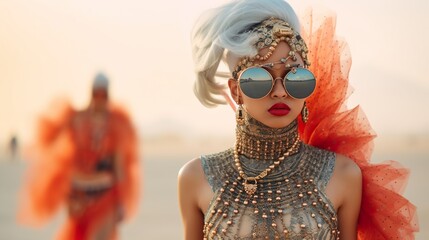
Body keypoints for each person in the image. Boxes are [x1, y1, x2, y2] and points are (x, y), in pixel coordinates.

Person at [178, 0, 418, 239]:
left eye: (296, 78)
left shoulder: (343, 175)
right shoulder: (196, 177)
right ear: (235, 90)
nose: (281, 91)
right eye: (260, 79)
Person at [19, 73, 140, 240]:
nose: (99, 99)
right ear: (91, 94)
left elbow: (119, 167)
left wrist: (121, 202)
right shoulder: (77, 119)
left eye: (103, 94)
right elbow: (61, 149)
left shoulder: (116, 124)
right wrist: (69, 194)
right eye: (96, 94)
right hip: (80, 196)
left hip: (106, 196)